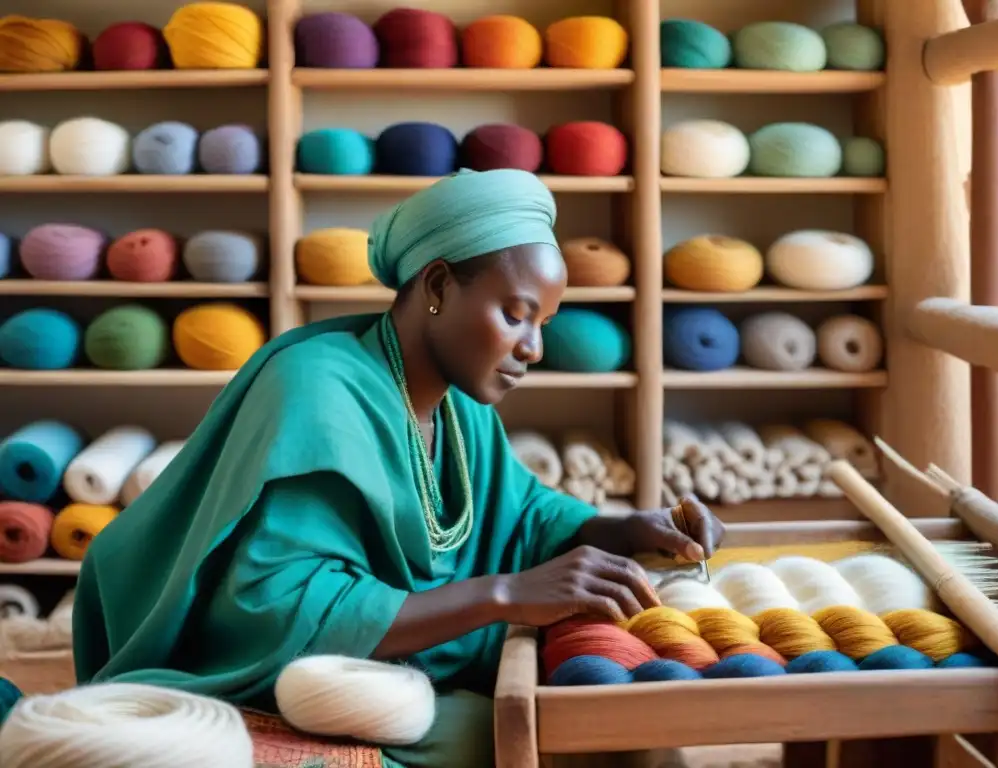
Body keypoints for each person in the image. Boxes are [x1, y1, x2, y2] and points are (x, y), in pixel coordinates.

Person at [72, 169, 725, 767]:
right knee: (540, 736)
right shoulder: (316, 389)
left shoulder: (460, 409)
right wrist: (505, 595)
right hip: (275, 672)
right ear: (438, 286)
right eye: (516, 314)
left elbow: (523, 512)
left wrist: (626, 529)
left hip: (398, 666)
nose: (533, 347)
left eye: (545, 322)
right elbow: (280, 607)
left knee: (603, 720)